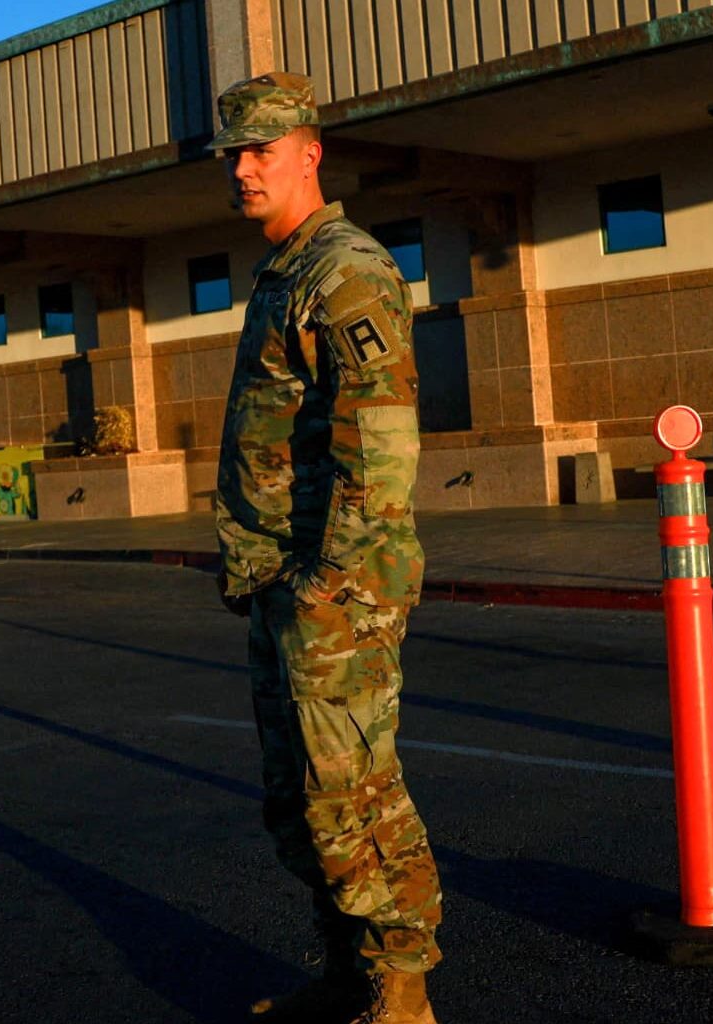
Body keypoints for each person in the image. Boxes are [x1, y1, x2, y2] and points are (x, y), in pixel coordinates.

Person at [209, 73, 442, 1024]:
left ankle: (402, 993)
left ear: (311, 151)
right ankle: (352, 976)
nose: (243, 166)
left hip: (333, 592)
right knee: (300, 799)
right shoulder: (286, 272)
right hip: (284, 583)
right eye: (233, 150)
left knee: (354, 794)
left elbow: (379, 454)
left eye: (262, 147)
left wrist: (325, 587)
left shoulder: (344, 270)